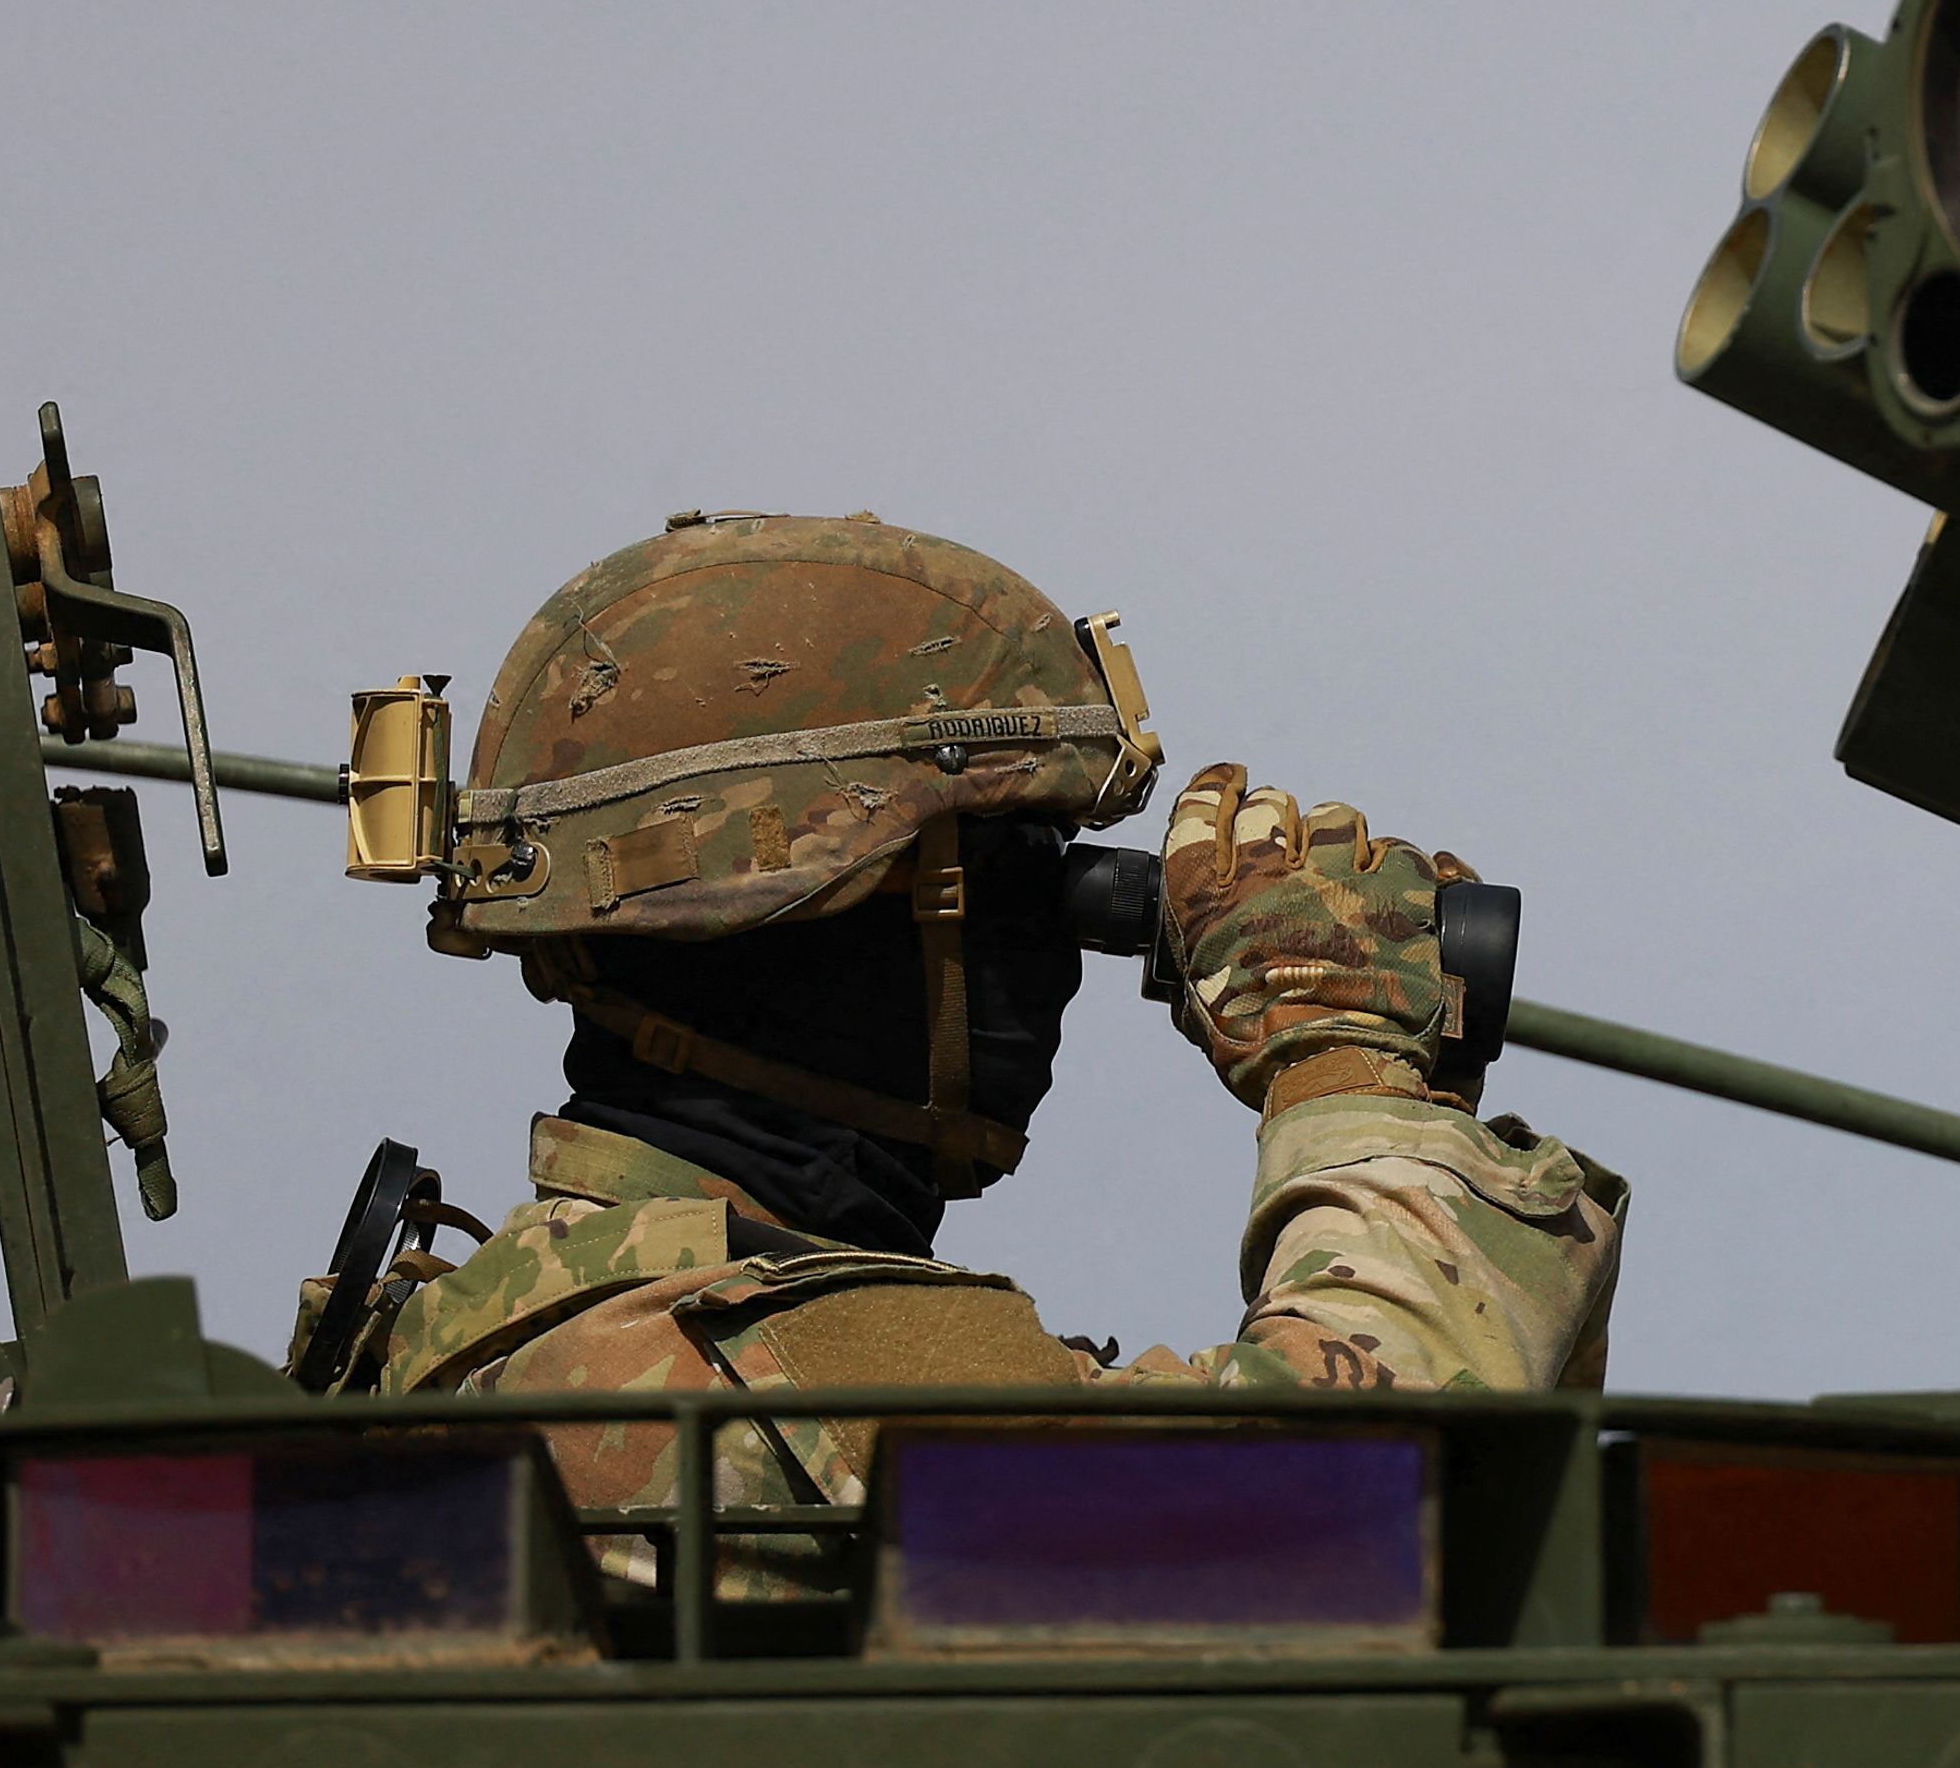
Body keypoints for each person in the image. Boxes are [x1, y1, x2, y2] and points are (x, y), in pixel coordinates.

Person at [339, 512, 1623, 1548]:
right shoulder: (764, 1367)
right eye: (1013, 880)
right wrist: (1345, 1069)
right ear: (816, 913)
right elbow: (1351, 1524)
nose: (1055, 951)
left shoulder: (525, 1316)